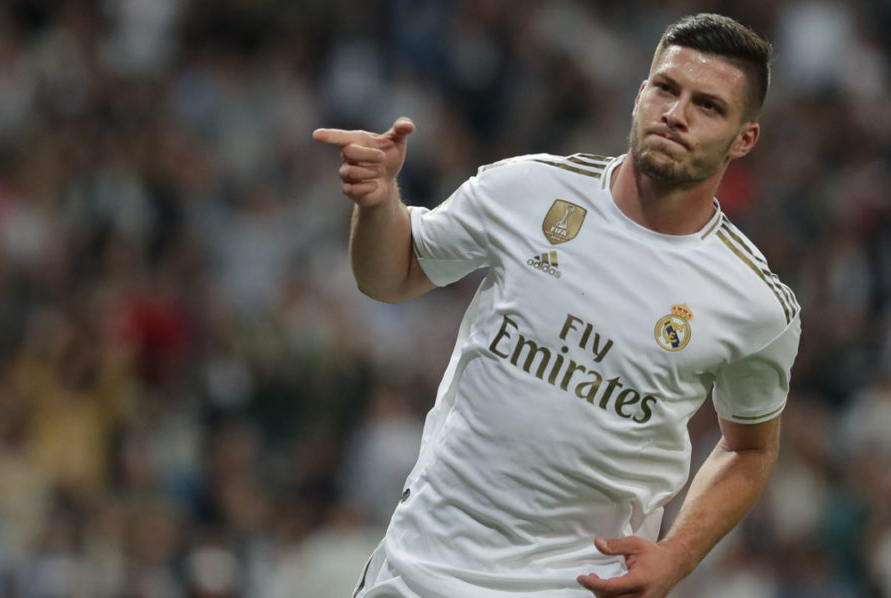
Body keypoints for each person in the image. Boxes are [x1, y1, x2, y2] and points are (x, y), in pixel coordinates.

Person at [313, 12, 800, 598]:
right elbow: (390, 277)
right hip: (417, 567)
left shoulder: (755, 303)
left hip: (576, 585)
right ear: (640, 94)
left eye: (709, 106)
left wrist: (678, 555)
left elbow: (749, 447)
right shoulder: (528, 189)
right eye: (666, 89)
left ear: (744, 138)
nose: (676, 114)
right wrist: (377, 204)